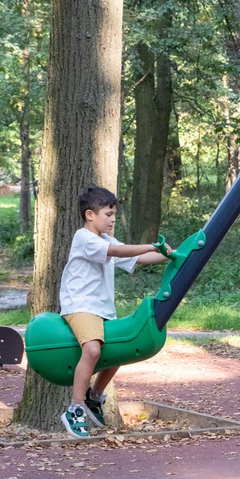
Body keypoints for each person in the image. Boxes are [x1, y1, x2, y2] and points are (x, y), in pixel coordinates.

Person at [60, 186, 172, 438]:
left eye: (113, 214)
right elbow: (119, 252)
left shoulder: (107, 240)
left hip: (102, 309)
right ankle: (74, 409)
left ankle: (94, 397)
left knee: (119, 349)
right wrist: (151, 245)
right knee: (92, 349)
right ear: (90, 215)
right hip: (80, 306)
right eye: (108, 214)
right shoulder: (84, 238)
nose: (112, 219)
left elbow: (139, 259)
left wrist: (172, 256)